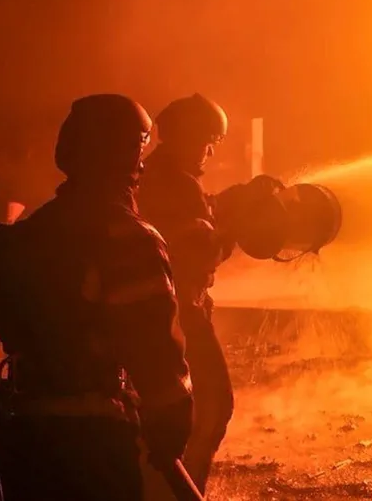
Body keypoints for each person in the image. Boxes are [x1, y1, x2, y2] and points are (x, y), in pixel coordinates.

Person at [0, 94, 194, 501]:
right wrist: (172, 422)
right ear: (123, 154)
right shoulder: (128, 237)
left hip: (24, 432)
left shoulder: (37, 228)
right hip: (92, 438)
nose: (142, 163)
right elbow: (156, 347)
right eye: (137, 149)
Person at [137, 93, 235, 494]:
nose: (209, 150)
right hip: (181, 314)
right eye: (205, 139)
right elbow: (198, 252)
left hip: (159, 311)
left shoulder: (150, 175)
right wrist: (229, 234)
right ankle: (183, 492)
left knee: (166, 411)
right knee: (212, 406)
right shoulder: (176, 183)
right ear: (182, 137)